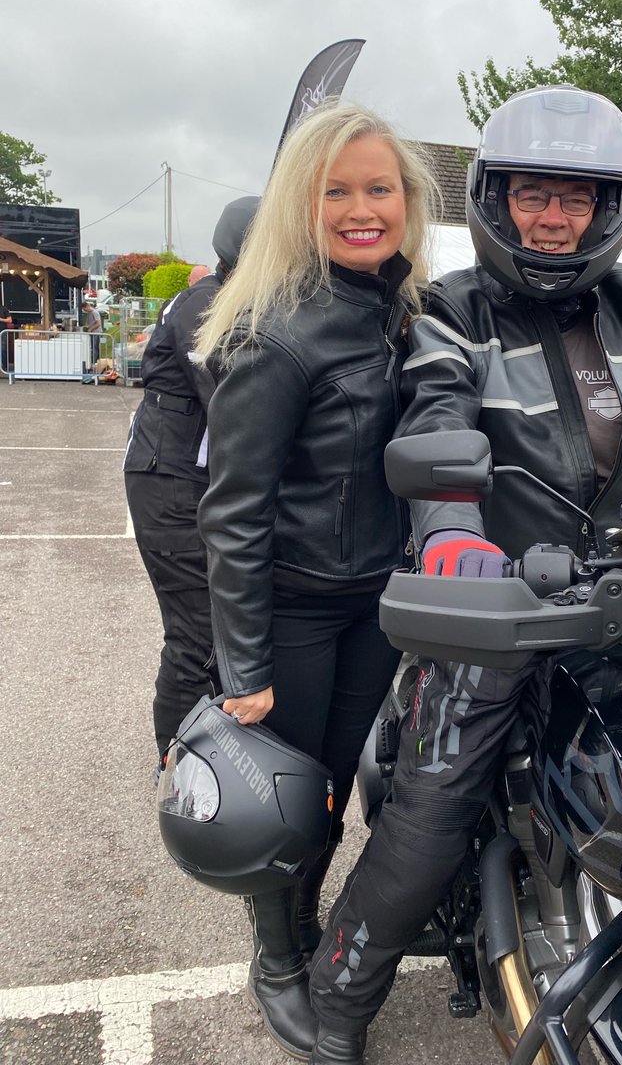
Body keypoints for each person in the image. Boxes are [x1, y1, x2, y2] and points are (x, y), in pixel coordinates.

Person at [306, 85, 622, 1064]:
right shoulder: (454, 308)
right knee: (435, 800)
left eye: (576, 199)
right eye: (532, 195)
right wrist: (450, 538)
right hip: (499, 592)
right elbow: (434, 421)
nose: (553, 218)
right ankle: (338, 995)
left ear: (608, 210)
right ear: (494, 198)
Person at [194, 101, 439, 1061]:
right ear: (303, 202)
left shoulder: (401, 307)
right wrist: (242, 664)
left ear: (408, 201)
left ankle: (309, 926)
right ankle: (277, 956)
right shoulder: (278, 331)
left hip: (370, 604)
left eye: (379, 188)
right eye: (336, 190)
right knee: (294, 801)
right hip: (292, 609)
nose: (360, 208)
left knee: (334, 789)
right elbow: (233, 510)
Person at [124, 195, 259, 769]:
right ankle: (177, 759)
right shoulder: (207, 305)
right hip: (171, 483)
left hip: (187, 479)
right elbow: (235, 400)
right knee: (197, 628)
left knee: (215, 623)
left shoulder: (223, 299)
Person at [82, 298, 102, 364]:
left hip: (96, 332)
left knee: (95, 348)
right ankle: (94, 361)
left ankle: (94, 362)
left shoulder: (94, 312)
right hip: (93, 332)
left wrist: (91, 329)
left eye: (85, 309)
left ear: (87, 306)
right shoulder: (90, 313)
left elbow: (98, 323)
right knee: (93, 348)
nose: (85, 311)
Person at [0, 305, 15, 373]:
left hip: (2, 332)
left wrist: (0, 319)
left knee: (3, 350)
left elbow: (10, 320)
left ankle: (4, 367)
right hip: (3, 332)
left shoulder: (3, 308)